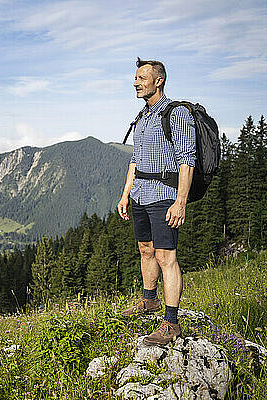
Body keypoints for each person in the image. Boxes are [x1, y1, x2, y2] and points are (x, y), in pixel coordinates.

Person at [117, 58, 196, 346]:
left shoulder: (176, 114)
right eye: (136, 78)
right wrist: (126, 193)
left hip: (164, 196)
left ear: (158, 80)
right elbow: (135, 159)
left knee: (166, 257)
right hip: (140, 194)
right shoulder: (142, 117)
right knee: (145, 249)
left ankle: (171, 323)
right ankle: (149, 301)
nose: (136, 82)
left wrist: (181, 202)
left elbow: (188, 161)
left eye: (141, 77)